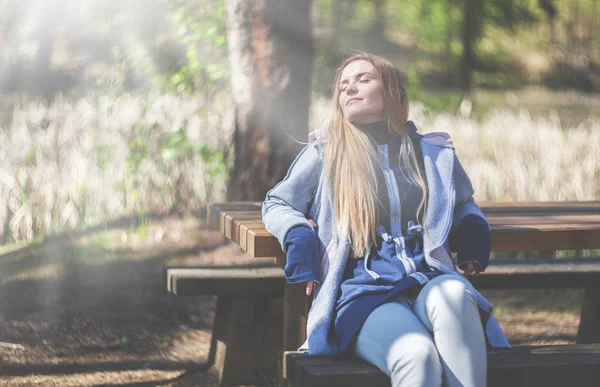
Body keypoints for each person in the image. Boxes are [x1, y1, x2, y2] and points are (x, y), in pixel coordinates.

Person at [262, 52, 509, 387]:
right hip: (362, 292)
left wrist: (473, 224)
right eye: (343, 85)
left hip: (428, 278)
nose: (350, 89)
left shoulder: (432, 154)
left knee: (456, 297)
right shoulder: (326, 154)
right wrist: (297, 233)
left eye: (363, 79)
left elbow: (463, 202)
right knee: (416, 355)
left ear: (392, 90)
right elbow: (277, 202)